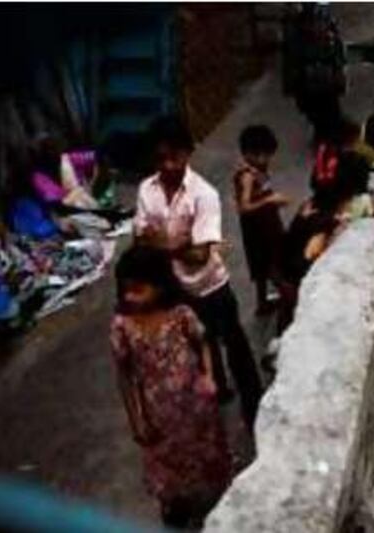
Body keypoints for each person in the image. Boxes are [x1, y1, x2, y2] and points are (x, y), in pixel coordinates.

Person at [133, 116, 263, 431]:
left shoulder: (204, 195)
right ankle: (217, 395)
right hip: (176, 290)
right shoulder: (146, 190)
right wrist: (174, 244)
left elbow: (199, 256)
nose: (166, 165)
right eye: (159, 158)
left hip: (211, 287)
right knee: (196, 350)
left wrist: (160, 242)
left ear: (188, 153)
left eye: (173, 156)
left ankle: (255, 409)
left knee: (236, 348)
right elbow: (140, 242)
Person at [109, 246, 231, 529]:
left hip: (197, 407)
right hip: (158, 415)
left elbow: (203, 345)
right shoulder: (122, 327)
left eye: (138, 289)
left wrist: (209, 378)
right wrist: (136, 421)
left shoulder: (181, 315)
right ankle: (176, 507)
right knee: (167, 468)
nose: (130, 297)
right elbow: (125, 378)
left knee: (207, 456)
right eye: (126, 290)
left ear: (160, 284)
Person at [235, 125, 291, 317]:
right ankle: (289, 297)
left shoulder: (258, 170)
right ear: (247, 153)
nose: (264, 160)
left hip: (266, 222)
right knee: (272, 265)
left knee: (262, 267)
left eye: (267, 155)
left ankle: (263, 303)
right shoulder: (248, 176)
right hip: (259, 229)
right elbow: (243, 207)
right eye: (259, 155)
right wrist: (270, 200)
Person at [283, 3, 346, 144]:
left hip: (324, 74)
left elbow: (336, 48)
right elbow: (291, 57)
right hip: (308, 76)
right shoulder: (295, 30)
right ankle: (324, 134)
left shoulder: (326, 24)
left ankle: (329, 135)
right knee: (315, 109)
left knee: (329, 108)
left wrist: (338, 71)